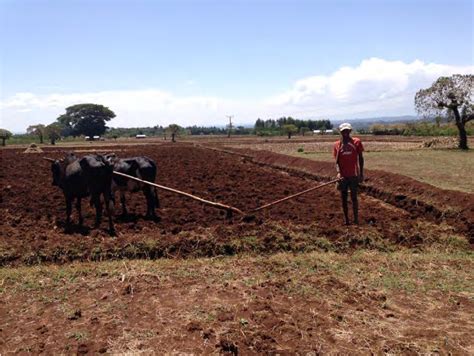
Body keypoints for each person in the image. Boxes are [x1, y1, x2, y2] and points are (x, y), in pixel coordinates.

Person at [333, 122, 364, 225]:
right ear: (340, 132)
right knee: (344, 198)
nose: (345, 133)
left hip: (354, 175)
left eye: (347, 131)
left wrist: (361, 173)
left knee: (354, 198)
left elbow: (361, 158)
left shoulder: (356, 142)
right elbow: (336, 162)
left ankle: (356, 220)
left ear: (350, 131)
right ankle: (346, 220)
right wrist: (338, 173)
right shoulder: (337, 145)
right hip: (343, 177)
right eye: (343, 131)